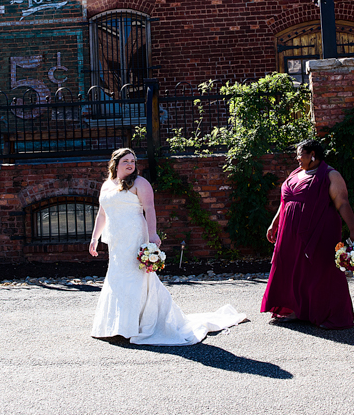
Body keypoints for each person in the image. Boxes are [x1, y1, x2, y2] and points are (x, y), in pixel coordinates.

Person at [89, 148, 246, 345]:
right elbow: (102, 214)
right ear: (115, 163)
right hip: (116, 240)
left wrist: (153, 234)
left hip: (135, 235)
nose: (130, 164)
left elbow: (149, 209)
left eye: (133, 161)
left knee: (136, 278)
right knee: (117, 278)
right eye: (126, 161)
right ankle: (118, 325)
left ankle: (137, 325)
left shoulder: (140, 183)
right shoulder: (106, 185)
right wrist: (95, 238)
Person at [261, 139, 354, 329]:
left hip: (320, 230)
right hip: (289, 232)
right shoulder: (295, 173)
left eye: (301, 154)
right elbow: (285, 202)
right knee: (292, 269)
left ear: (313, 155)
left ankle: (329, 314)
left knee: (323, 271)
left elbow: (342, 203)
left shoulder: (330, 175)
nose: (297, 157)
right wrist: (274, 223)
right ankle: (296, 310)